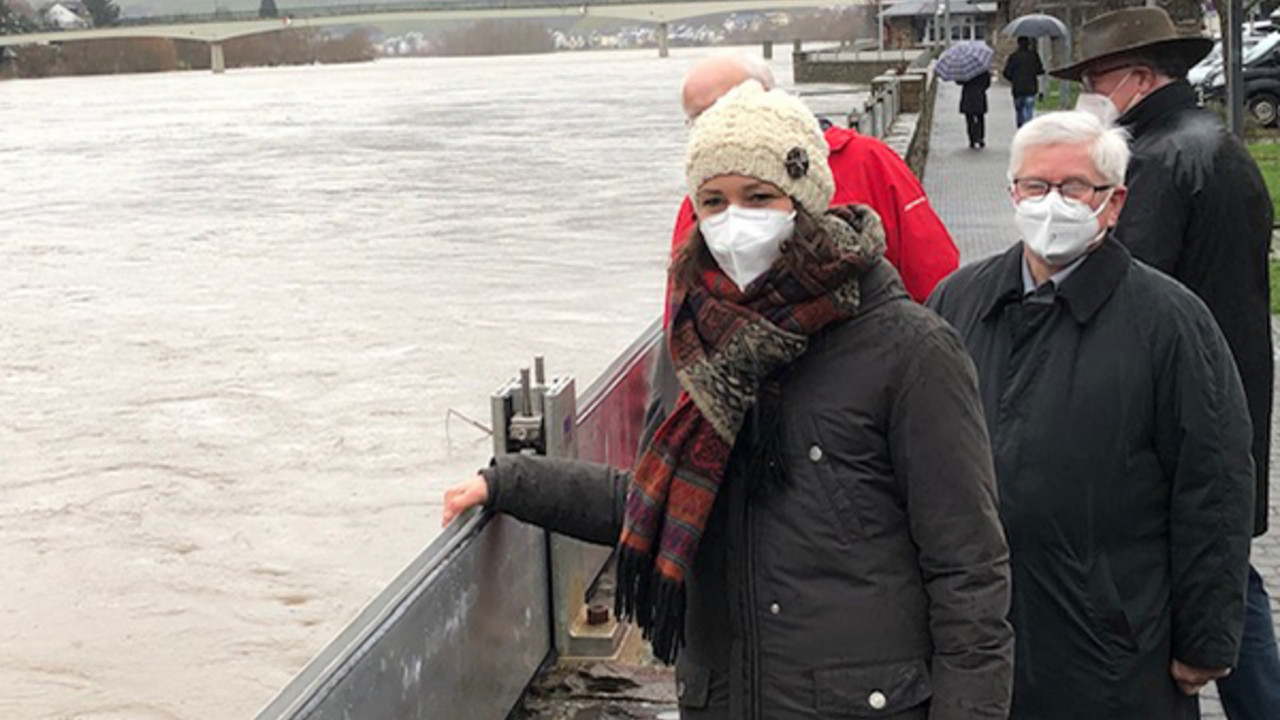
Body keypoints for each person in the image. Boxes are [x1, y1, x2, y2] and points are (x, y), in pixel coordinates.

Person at [443, 81, 1014, 720]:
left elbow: (970, 573)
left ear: (804, 201)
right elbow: (652, 502)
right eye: (713, 201)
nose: (733, 220)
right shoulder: (694, 344)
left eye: (758, 196)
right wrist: (512, 482)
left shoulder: (909, 349)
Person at [927, 110, 1256, 720]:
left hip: (1112, 645)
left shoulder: (1170, 322)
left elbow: (1214, 484)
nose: (1052, 203)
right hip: (978, 637)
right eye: (1036, 186)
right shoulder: (959, 301)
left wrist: (1206, 639)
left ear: (1114, 201)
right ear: (1012, 191)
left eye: (1074, 186)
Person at [1052, 8, 1280, 719]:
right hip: (1230, 385)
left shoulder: (1156, 159)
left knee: (1216, 576)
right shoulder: (1212, 141)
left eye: (1094, 78)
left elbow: (1124, 283)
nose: (1085, 94)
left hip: (1180, 406)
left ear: (1142, 78)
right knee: (1223, 568)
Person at [672, 53, 958, 305]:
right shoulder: (701, 204)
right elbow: (679, 309)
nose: (720, 123)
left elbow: (937, 282)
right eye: (700, 117)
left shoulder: (867, 161)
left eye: (731, 106)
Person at [1002, 36, 1045, 127]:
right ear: (1028, 44)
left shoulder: (1014, 57)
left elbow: (1006, 73)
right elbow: (1040, 70)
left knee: (1019, 110)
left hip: (1017, 88)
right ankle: (1028, 127)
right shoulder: (1033, 56)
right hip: (1030, 87)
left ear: (1018, 44)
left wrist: (1013, 79)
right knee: (1029, 109)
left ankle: (1021, 126)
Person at [960, 70, 990, 149]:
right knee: (980, 118)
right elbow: (987, 83)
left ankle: (972, 139)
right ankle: (980, 137)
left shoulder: (965, 70)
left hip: (968, 96)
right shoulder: (983, 70)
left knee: (969, 119)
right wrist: (981, 88)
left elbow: (959, 81)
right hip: (979, 95)